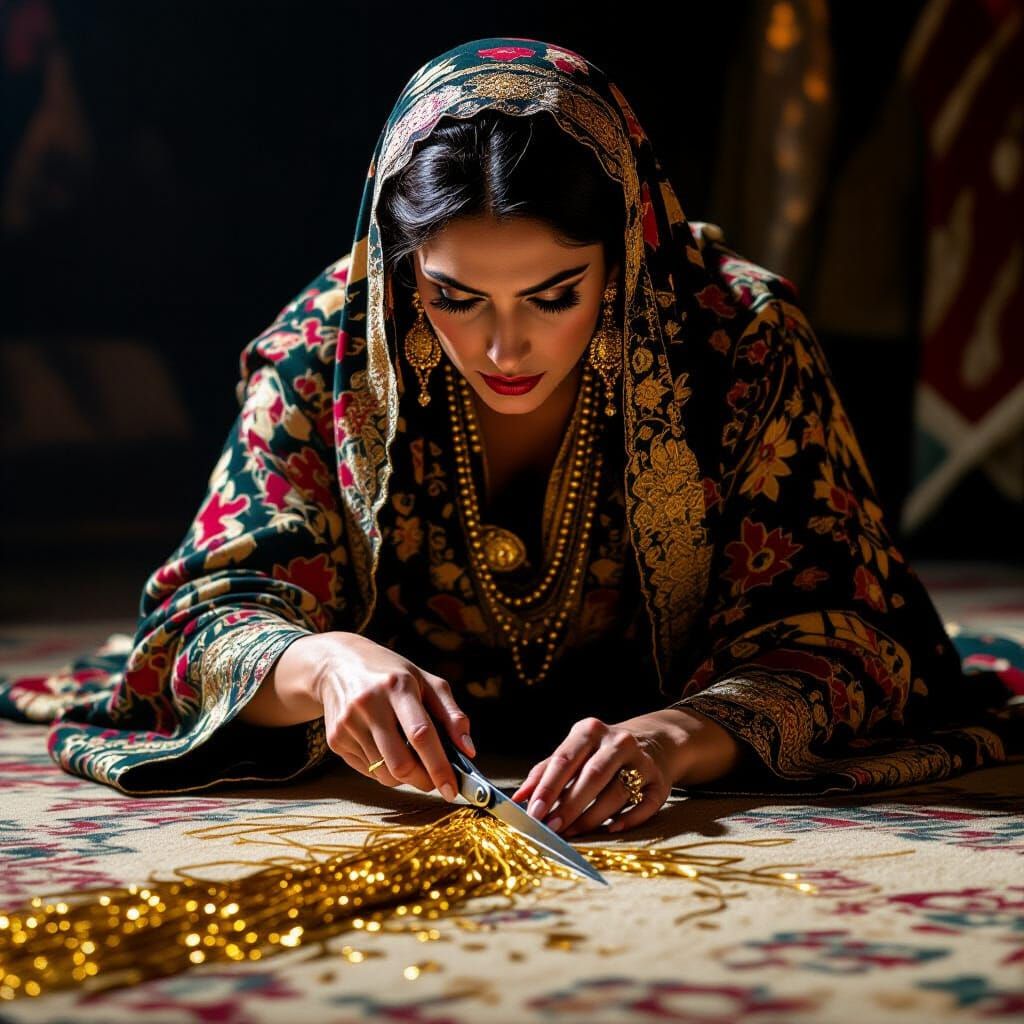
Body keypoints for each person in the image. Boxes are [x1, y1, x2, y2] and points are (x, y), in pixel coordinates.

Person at [1, 37, 1018, 841]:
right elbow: (195, 621)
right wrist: (324, 665)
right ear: (403, 269)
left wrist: (680, 735)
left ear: (623, 258)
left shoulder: (738, 342)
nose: (503, 347)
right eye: (455, 296)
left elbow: (851, 632)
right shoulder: (331, 344)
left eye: (553, 294)